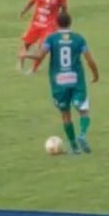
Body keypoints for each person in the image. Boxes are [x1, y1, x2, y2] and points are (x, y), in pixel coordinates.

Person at [31, 12, 99, 155]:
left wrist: (25, 55)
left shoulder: (51, 38)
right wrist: (95, 75)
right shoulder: (79, 39)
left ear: (56, 23)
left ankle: (74, 147)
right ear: (70, 23)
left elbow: (39, 56)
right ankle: (82, 134)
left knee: (65, 115)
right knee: (83, 110)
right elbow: (90, 60)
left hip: (59, 83)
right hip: (76, 80)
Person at [18, 0, 67, 72]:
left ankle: (33, 69)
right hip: (36, 23)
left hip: (50, 25)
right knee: (26, 43)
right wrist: (24, 10)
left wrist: (63, 24)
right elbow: (32, 1)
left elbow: (64, 8)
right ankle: (20, 64)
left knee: (43, 47)